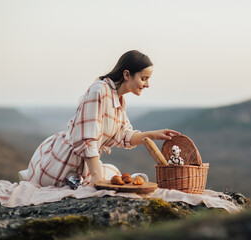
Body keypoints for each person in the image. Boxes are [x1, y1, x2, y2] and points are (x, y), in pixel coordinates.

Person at [18, 50, 180, 187]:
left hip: (86, 166)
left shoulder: (118, 101)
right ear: (126, 74)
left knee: (116, 174)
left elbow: (124, 136)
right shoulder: (99, 90)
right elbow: (87, 140)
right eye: (144, 78)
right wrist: (97, 179)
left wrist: (153, 135)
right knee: (112, 180)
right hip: (65, 164)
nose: (147, 85)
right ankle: (42, 178)